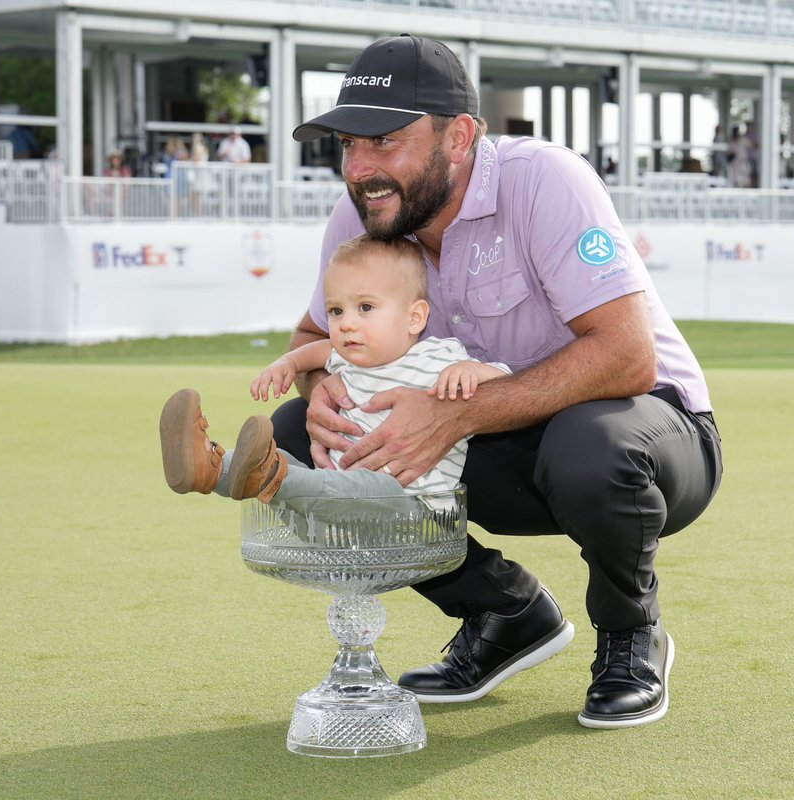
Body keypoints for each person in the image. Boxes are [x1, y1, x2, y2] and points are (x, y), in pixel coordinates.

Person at [273, 34, 723, 728]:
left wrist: (457, 414)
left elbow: (627, 358)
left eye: (384, 141)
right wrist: (323, 396)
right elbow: (311, 341)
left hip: (652, 440)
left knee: (587, 442)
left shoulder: (544, 178)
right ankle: (504, 613)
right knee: (297, 439)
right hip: (495, 450)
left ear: (458, 137)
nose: (359, 169)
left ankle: (632, 636)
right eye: (346, 145)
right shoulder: (362, 214)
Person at [159, 235, 513, 516]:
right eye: (336, 310)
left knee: (317, 480)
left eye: (366, 307)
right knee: (296, 470)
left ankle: (266, 472)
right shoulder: (349, 360)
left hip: (408, 507)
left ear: (415, 318)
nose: (346, 323)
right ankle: (213, 466)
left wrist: (473, 371)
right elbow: (318, 349)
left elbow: (502, 382)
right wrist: (287, 364)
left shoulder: (438, 357)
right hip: (337, 495)